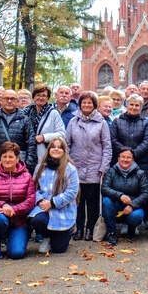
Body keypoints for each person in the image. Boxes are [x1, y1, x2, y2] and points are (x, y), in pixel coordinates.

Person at [67, 91, 112, 241]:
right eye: (84, 102)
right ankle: (79, 228)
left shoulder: (102, 123)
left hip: (95, 168)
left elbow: (107, 146)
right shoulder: (73, 122)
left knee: (93, 203)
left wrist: (104, 166)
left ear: (94, 105)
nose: (86, 105)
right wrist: (68, 164)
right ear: (80, 105)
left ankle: (90, 229)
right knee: (78, 202)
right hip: (76, 167)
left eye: (89, 103)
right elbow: (67, 144)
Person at [0, 142, 36, 259]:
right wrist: (3, 204)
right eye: (4, 157)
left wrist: (13, 209)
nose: (7, 160)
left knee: (16, 254)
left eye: (11, 157)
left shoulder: (27, 177)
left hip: (19, 220)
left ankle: (14, 238)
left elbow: (30, 201)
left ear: (17, 158)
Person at [28, 138, 80, 254]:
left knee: (58, 249)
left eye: (59, 147)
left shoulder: (70, 169)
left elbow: (72, 192)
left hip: (62, 210)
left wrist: (52, 203)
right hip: (43, 208)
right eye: (53, 147)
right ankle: (46, 236)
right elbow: (33, 188)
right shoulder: (40, 167)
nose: (56, 149)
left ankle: (67, 231)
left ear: (64, 150)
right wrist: (41, 201)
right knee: (36, 220)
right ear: (49, 149)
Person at [101, 149, 148, 245]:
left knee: (136, 216)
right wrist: (120, 196)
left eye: (128, 157)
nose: (125, 159)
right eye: (123, 157)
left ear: (133, 160)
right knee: (106, 201)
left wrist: (132, 205)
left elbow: (146, 193)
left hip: (134, 205)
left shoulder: (140, 173)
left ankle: (131, 229)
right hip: (116, 203)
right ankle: (112, 233)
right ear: (118, 159)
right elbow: (104, 188)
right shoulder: (112, 171)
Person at [0, 89, 37, 174]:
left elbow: (31, 143)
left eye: (12, 99)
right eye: (6, 98)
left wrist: (28, 165)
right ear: (1, 100)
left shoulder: (25, 119)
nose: (9, 101)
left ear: (17, 101)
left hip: (19, 167)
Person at [25, 85, 66, 167]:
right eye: (38, 95)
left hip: (45, 154)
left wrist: (44, 137)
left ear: (48, 98)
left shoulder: (53, 113)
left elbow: (62, 134)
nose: (41, 98)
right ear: (34, 97)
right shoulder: (26, 113)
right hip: (27, 153)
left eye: (44, 95)